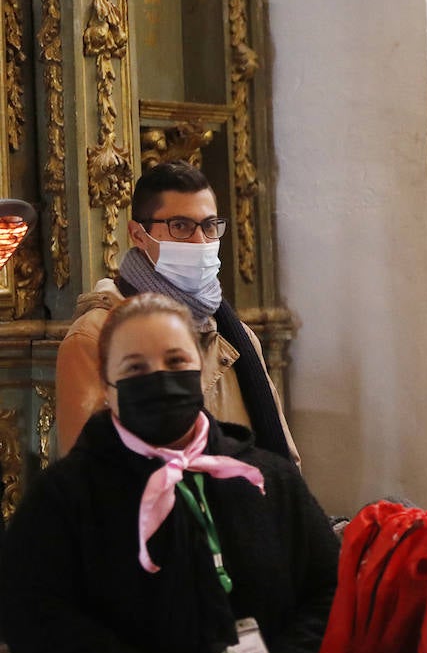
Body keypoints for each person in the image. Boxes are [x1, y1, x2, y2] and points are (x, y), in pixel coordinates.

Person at [0, 293, 339, 653]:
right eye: (136, 368)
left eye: (176, 361)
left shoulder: (267, 479)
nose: (160, 377)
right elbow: (38, 625)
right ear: (109, 389)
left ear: (201, 367)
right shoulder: (65, 498)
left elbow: (328, 587)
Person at [55, 160, 298, 464]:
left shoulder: (237, 335)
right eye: (180, 226)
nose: (201, 241)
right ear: (138, 235)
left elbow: (283, 463)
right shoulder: (94, 337)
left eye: (210, 226)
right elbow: (90, 480)